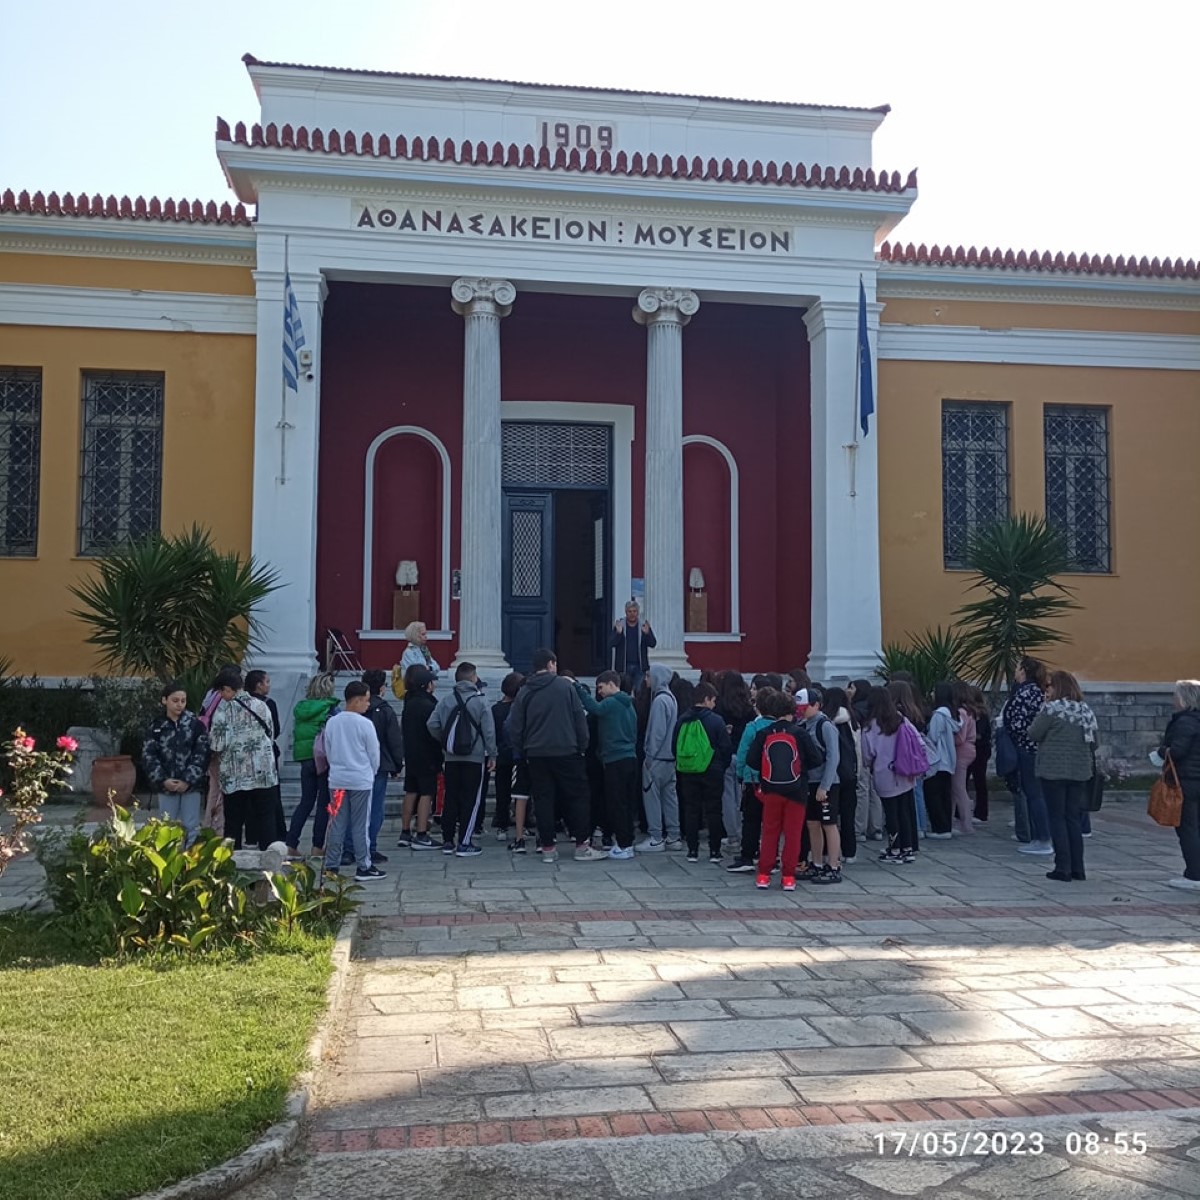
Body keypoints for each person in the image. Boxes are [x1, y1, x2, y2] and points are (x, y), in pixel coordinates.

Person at [508, 648, 608, 864]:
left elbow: (515, 726)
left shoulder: (525, 691)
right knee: (578, 797)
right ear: (551, 664)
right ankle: (582, 845)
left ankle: (548, 848)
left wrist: (523, 749)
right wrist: (582, 746)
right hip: (567, 750)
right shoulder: (565, 687)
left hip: (536, 753)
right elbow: (579, 719)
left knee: (543, 799)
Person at [1028, 670, 1096, 883]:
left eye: (1048, 685)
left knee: (1056, 818)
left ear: (1058, 687)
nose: (1045, 689)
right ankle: (1078, 868)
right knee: (1072, 818)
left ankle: (1062, 867)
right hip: (1079, 772)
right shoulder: (1085, 710)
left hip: (1053, 771)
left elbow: (1033, 733)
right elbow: (1095, 742)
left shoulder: (1052, 709)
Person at [426, 662, 496, 857]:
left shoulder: (446, 700)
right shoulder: (481, 701)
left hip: (451, 757)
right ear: (473, 678)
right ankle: (465, 841)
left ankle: (448, 840)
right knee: (471, 799)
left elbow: (432, 724)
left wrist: (446, 741)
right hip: (474, 756)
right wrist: (492, 754)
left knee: (451, 797)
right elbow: (489, 732)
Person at [207, 666, 279, 850]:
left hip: (234, 776)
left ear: (227, 689)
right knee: (266, 819)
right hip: (264, 773)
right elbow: (270, 734)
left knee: (234, 822)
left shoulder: (224, 711)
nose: (221, 696)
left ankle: (233, 859)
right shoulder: (261, 705)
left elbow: (217, 744)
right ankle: (269, 859)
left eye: (221, 692)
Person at [746, 688, 810, 890]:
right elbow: (816, 758)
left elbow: (751, 760)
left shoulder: (764, 733)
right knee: (793, 834)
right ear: (792, 710)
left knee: (769, 832)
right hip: (797, 790)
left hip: (770, 789)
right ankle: (789, 876)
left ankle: (763, 875)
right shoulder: (799, 733)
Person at [322, 680, 386, 882]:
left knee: (337, 823)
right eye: (366, 700)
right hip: (360, 780)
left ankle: (331, 865)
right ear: (357, 700)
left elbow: (328, 750)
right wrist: (370, 773)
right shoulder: (365, 724)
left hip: (338, 779)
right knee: (360, 824)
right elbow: (374, 754)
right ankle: (363, 866)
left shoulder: (332, 722)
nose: (368, 704)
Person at [576, 669, 639, 860]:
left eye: (601, 687)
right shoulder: (629, 705)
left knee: (616, 804)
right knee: (626, 804)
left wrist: (577, 687)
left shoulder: (611, 703)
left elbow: (594, 708)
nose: (600, 692)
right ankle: (627, 842)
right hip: (630, 757)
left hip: (615, 759)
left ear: (612, 684)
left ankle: (623, 844)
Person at [142, 680, 209, 847]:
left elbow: (201, 755)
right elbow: (149, 755)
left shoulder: (196, 726)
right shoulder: (156, 726)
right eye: (175, 700)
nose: (179, 705)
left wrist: (187, 780)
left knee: (191, 827)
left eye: (183, 701)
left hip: (190, 786)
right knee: (166, 827)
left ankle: (190, 859)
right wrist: (163, 779)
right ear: (164, 700)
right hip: (166, 785)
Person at [673, 681, 733, 864]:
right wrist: (721, 766)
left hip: (688, 770)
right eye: (713, 700)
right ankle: (715, 851)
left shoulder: (682, 719)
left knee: (691, 810)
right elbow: (726, 748)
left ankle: (692, 850)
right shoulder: (716, 720)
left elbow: (674, 746)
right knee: (714, 810)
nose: (714, 704)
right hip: (712, 770)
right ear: (707, 699)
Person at [861, 686, 922, 864]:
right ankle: (907, 848)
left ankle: (894, 849)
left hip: (884, 773)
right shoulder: (900, 719)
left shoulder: (870, 726)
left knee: (891, 812)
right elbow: (917, 739)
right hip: (905, 771)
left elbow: (867, 755)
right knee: (904, 810)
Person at [1002, 656, 1053, 855]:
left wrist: (1008, 733)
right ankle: (1039, 836)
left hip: (1026, 748)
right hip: (1036, 749)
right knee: (1036, 794)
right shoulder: (1038, 692)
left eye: (1017, 668)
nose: (1015, 672)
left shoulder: (1024, 693)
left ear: (1023, 670)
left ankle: (1042, 838)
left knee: (1033, 794)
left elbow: (1018, 724)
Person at [287, 672, 338, 859]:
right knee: (324, 803)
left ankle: (291, 843)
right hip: (322, 759)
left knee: (306, 801)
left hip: (305, 757)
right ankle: (317, 846)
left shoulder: (301, 708)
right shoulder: (330, 709)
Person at [726, 687, 777, 872]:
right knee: (772, 822)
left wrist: (741, 775)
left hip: (753, 779)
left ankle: (748, 855)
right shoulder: (781, 727)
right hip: (776, 780)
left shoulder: (752, 727)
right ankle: (771, 857)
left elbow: (743, 754)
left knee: (751, 819)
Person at [795, 686, 843, 884]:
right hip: (810, 782)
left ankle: (833, 865)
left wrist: (825, 786)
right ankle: (816, 863)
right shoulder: (802, 725)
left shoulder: (825, 726)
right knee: (812, 823)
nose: (801, 711)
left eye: (805, 707)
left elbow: (833, 757)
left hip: (826, 783)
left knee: (829, 824)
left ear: (816, 705)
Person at [635, 664, 683, 852]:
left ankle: (655, 837)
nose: (646, 679)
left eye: (649, 675)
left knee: (652, 797)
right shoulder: (671, 698)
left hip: (657, 758)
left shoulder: (659, 701)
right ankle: (673, 836)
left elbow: (657, 732)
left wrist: (649, 756)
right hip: (669, 758)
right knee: (670, 798)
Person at [1160, 679, 1200, 890]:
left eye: (1176, 695)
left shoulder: (1185, 722)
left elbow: (1177, 751)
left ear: (1185, 698)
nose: (1173, 699)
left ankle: (1194, 874)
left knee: (1187, 829)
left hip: (1186, 780)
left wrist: (1162, 751)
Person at [363, 668, 404, 865]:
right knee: (375, 808)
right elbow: (394, 740)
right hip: (379, 764)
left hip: (358, 765)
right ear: (381, 688)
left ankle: (350, 847)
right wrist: (397, 765)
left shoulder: (356, 710)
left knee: (356, 809)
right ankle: (370, 847)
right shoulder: (385, 710)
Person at [398, 665, 441, 850]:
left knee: (411, 790)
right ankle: (422, 833)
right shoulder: (428, 705)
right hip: (427, 754)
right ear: (426, 684)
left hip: (411, 753)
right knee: (426, 792)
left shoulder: (409, 703)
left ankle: (405, 831)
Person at [716, 671, 755, 859]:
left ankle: (732, 837)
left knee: (727, 797)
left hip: (726, 755)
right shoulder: (748, 708)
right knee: (741, 797)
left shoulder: (720, 706)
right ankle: (742, 833)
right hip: (744, 756)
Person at [245, 669, 287, 844]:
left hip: (247, 755)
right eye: (266, 682)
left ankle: (251, 835)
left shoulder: (240, 703)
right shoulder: (268, 704)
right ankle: (275, 834)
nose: (268, 685)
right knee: (270, 796)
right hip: (266, 755)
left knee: (249, 797)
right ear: (258, 685)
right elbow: (275, 730)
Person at [888, 679, 930, 837]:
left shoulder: (898, 714)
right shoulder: (916, 711)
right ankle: (921, 826)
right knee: (918, 792)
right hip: (916, 756)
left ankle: (915, 827)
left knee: (908, 795)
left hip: (903, 757)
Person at [491, 671, 528, 848]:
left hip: (502, 755)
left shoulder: (496, 709)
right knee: (522, 792)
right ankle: (523, 824)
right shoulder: (521, 709)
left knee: (502, 791)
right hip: (518, 754)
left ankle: (502, 825)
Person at [824, 686, 859, 866]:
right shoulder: (852, 719)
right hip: (849, 772)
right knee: (848, 815)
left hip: (832, 774)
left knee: (828, 816)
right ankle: (850, 851)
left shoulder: (826, 722)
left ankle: (828, 852)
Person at [923, 682, 960, 839]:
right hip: (948, 760)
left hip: (937, 760)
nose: (932, 694)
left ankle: (939, 828)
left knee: (934, 795)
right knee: (945, 795)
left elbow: (933, 736)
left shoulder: (938, 715)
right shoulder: (952, 713)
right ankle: (946, 827)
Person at [849, 679, 884, 841]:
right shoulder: (876, 710)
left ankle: (859, 829)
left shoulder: (856, 710)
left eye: (851, 687)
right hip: (878, 754)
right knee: (875, 790)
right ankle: (876, 828)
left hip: (863, 753)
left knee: (862, 790)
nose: (848, 691)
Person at [609, 600, 656, 694]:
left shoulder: (643, 625)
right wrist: (618, 633)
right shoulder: (619, 625)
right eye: (629, 611)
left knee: (640, 693)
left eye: (634, 611)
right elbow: (611, 643)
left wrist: (647, 634)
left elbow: (653, 644)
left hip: (640, 667)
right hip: (623, 667)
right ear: (626, 612)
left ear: (638, 612)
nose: (632, 614)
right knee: (624, 693)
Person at [950, 681, 978, 836]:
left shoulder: (960, 712)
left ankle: (966, 823)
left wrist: (947, 740)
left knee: (958, 788)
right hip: (969, 749)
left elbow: (960, 738)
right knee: (956, 788)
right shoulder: (970, 711)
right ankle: (954, 820)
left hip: (961, 751)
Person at [968, 686, 992, 823]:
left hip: (980, 750)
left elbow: (979, 734)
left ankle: (981, 812)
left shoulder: (980, 714)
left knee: (979, 781)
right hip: (977, 749)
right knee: (974, 780)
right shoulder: (975, 713)